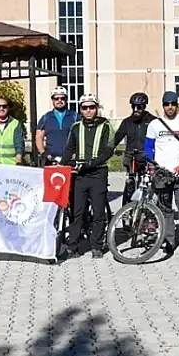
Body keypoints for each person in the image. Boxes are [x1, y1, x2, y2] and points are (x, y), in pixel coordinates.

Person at [62, 94, 114, 259]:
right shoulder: (76, 127)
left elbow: (108, 150)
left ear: (97, 108)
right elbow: (69, 149)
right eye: (85, 108)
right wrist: (62, 165)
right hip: (80, 175)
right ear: (80, 109)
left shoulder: (106, 126)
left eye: (92, 107)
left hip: (98, 173)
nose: (88, 110)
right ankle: (73, 247)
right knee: (78, 212)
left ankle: (96, 246)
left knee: (99, 212)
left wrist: (92, 163)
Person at [144, 91, 179, 247]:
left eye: (173, 104)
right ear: (163, 105)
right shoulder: (154, 124)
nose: (170, 107)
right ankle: (169, 241)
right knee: (165, 208)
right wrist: (152, 164)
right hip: (162, 174)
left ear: (177, 105)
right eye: (167, 104)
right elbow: (148, 146)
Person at [113, 92, 155, 205]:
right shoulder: (127, 122)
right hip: (130, 156)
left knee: (150, 183)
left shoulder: (152, 121)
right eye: (133, 106)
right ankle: (127, 208)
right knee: (130, 181)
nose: (136, 109)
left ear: (144, 106)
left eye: (139, 107)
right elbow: (117, 137)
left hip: (146, 156)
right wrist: (109, 148)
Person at [35, 87, 78, 163]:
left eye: (62, 98)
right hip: (51, 159)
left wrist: (76, 153)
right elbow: (38, 137)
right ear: (52, 100)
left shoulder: (75, 116)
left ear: (66, 99)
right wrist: (43, 153)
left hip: (71, 159)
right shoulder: (46, 118)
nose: (59, 101)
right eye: (56, 98)